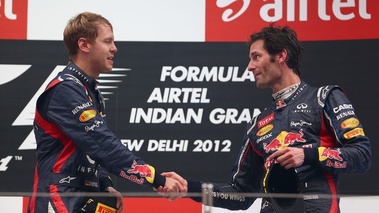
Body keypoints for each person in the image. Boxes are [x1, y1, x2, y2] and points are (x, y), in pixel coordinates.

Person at [158, 24, 372, 212]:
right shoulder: (258, 124)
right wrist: (190, 188)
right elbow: (241, 194)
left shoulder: (324, 97)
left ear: (281, 56)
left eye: (256, 57)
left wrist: (308, 155)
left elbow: (362, 157)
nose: (250, 67)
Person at [27, 12, 185, 213]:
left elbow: (91, 150)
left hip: (82, 196)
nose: (114, 48)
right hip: (57, 197)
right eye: (107, 41)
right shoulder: (65, 90)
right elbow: (102, 144)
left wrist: (104, 184)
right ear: (84, 45)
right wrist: (156, 179)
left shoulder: (90, 91)